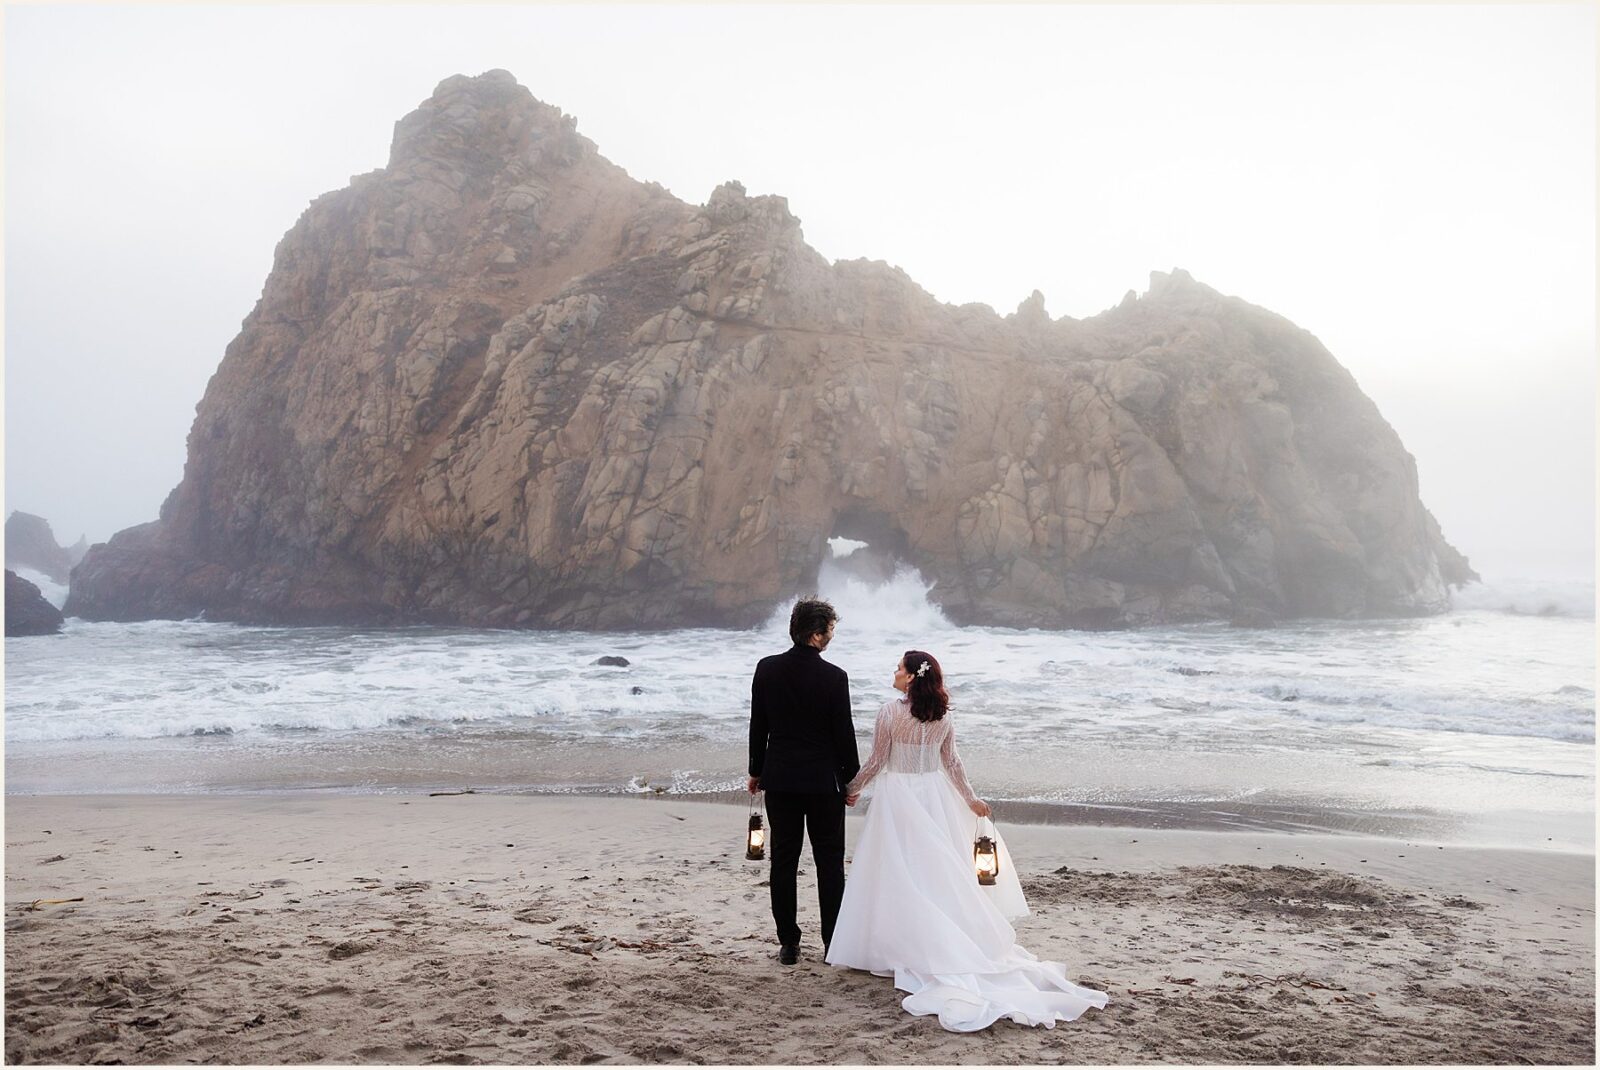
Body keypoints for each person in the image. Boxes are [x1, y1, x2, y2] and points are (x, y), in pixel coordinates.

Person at [824, 650, 1109, 1032]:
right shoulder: (940, 716)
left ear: (910, 678)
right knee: (934, 870)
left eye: (898, 668)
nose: (893, 673)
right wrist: (970, 799)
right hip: (934, 794)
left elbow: (877, 760)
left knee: (895, 869)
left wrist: (852, 789)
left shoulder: (889, 712)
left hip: (898, 797)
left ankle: (898, 944)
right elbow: (952, 763)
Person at [747, 598, 860, 966]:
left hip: (780, 779)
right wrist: (850, 779)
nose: (832, 637)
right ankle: (833, 944)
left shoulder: (766, 669)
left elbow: (758, 726)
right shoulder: (834, 677)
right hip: (823, 783)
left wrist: (756, 770)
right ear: (816, 634)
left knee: (783, 859)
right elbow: (844, 734)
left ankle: (789, 944)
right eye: (830, 630)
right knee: (829, 864)